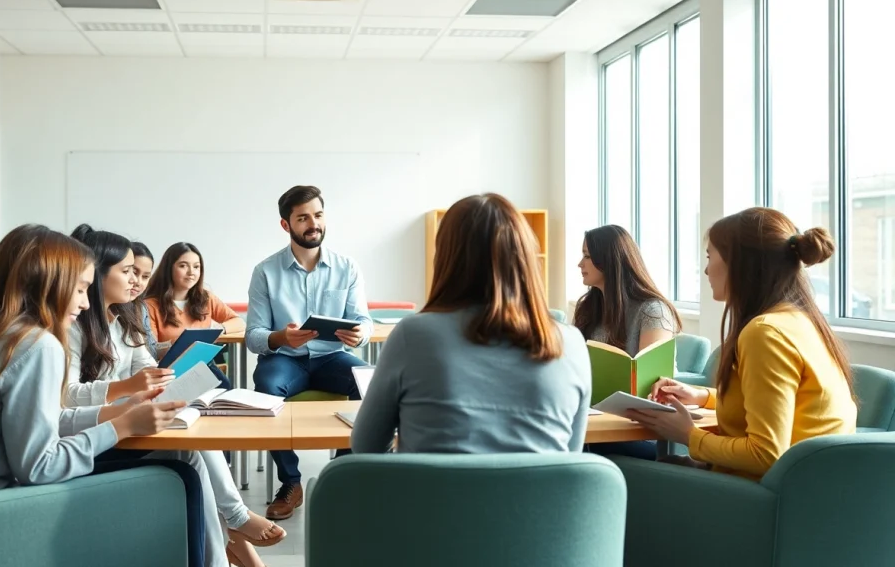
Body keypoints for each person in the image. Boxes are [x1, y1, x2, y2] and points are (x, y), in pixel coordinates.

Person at [0, 225, 207, 567]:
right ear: (49, 283)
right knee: (181, 477)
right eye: (82, 289)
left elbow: (35, 423)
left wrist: (115, 415)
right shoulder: (34, 344)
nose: (87, 302)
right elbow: (40, 468)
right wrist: (122, 427)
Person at [65, 225, 284, 567]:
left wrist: (173, 381)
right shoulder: (74, 327)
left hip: (127, 414)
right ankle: (235, 524)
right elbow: (67, 396)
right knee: (191, 450)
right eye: (127, 271)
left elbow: (148, 368)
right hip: (103, 429)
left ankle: (229, 539)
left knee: (194, 423)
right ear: (96, 275)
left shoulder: (124, 320)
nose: (135, 280)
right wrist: (130, 388)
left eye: (140, 273)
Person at [625, 207, 858, 480]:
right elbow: (777, 408)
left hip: (762, 496)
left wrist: (688, 436)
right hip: (805, 494)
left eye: (711, 257)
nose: (705, 269)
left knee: (614, 467)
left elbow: (766, 453)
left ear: (739, 264)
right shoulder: (801, 322)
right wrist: (703, 396)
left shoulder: (765, 333)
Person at [351, 193, 592, 454]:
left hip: (433, 494)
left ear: (446, 258)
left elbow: (366, 446)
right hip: (542, 495)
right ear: (526, 259)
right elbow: (570, 455)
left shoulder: (414, 335)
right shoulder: (571, 343)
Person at [246, 185, 373, 520]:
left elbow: (364, 321)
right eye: (302, 218)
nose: (312, 223)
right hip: (284, 360)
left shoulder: (348, 267)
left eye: (317, 215)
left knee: (368, 384)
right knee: (266, 390)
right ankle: (291, 482)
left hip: (332, 357)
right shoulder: (265, 271)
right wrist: (280, 338)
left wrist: (359, 334)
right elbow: (253, 336)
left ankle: (342, 473)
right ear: (286, 225)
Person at [144, 242, 242, 390]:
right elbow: (151, 350)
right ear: (169, 268)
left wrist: (219, 328)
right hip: (170, 371)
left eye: (196, 267)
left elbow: (239, 322)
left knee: (226, 393)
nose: (191, 272)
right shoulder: (150, 305)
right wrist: (176, 344)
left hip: (202, 365)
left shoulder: (205, 298)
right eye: (183, 266)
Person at [573, 224, 681, 356]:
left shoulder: (653, 312)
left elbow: (651, 374)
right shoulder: (588, 307)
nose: (580, 264)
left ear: (608, 260)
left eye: (587, 256)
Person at [129, 241, 159, 358]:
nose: (138, 282)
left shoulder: (141, 307)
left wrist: (172, 345)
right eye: (133, 272)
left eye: (145, 277)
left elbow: (151, 347)